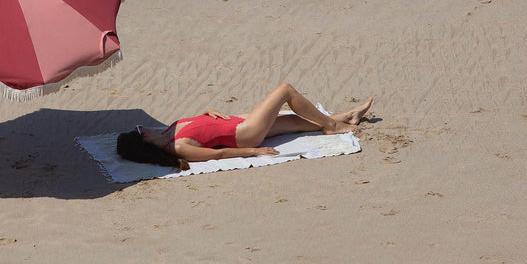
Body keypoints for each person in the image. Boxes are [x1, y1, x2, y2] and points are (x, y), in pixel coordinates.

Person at [115, 82, 373, 170]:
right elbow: (218, 154)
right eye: (140, 131)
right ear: (144, 141)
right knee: (285, 91)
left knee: (294, 122)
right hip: (244, 135)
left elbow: (198, 129)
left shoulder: (166, 133)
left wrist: (203, 114)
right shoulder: (179, 148)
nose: (143, 127)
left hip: (237, 123)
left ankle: (346, 117)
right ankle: (332, 126)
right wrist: (254, 152)